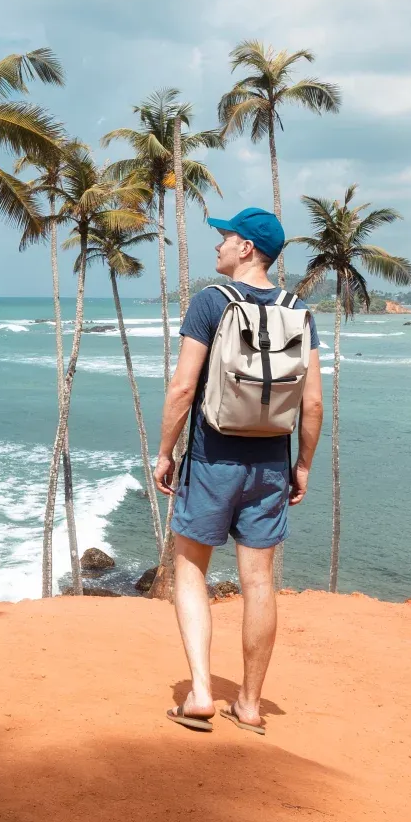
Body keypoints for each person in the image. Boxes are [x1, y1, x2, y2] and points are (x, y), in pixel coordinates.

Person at [152, 207, 323, 733]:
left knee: (190, 569)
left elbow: (183, 388)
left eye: (225, 238)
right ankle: (249, 705)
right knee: (259, 582)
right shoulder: (298, 310)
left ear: (246, 247)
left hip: (211, 459)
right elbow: (312, 404)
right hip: (270, 462)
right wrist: (304, 465)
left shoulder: (211, 302)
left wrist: (165, 452)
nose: (218, 247)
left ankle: (201, 693)